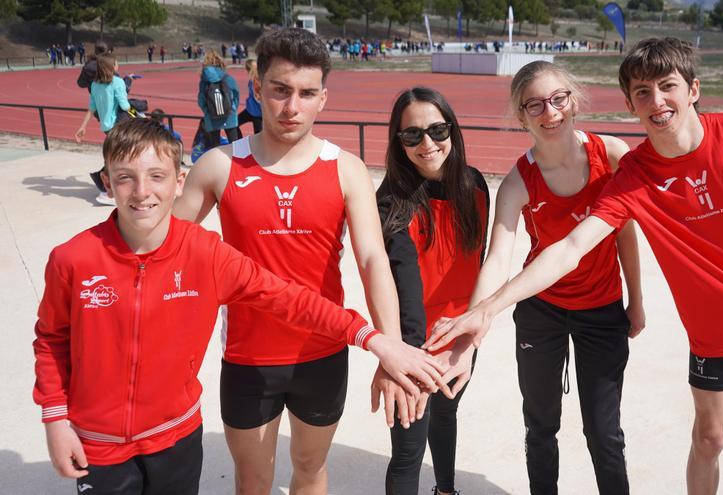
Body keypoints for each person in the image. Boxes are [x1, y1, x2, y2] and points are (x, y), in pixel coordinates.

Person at [428, 37, 723, 495]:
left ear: (694, 89)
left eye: (668, 87)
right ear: (628, 102)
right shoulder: (634, 173)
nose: (657, 101)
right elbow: (566, 249)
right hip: (704, 326)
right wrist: (481, 314)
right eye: (643, 92)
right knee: (707, 437)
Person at [33, 118, 447, 495]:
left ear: (178, 182)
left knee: (308, 466)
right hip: (100, 443)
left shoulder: (206, 254)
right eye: (125, 179)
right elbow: (51, 339)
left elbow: (291, 299)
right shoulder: (74, 259)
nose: (142, 192)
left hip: (175, 436)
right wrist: (55, 419)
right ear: (107, 182)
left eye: (156, 177)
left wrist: (376, 339)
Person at [173, 27, 426, 495]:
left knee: (309, 470)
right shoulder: (219, 166)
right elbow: (163, 248)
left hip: (322, 353)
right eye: (280, 90)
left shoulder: (345, 168)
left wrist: (390, 349)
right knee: (253, 481)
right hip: (249, 357)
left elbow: (372, 259)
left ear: (323, 99)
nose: (292, 107)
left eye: (307, 94)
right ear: (256, 90)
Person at [445, 60, 646, 494]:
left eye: (558, 99)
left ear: (573, 101)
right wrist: (472, 327)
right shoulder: (519, 181)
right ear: (521, 116)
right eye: (534, 105)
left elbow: (625, 235)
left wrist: (637, 299)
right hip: (542, 312)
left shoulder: (611, 155)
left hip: (602, 309)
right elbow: (497, 258)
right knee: (540, 427)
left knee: (604, 432)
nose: (549, 112)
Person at [378, 87, 489, 495]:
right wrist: (405, 358)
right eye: (412, 136)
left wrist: (468, 338)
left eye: (437, 130)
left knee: (446, 416)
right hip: (414, 344)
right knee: (408, 453)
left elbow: (478, 263)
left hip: (460, 337)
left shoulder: (475, 184)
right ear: (398, 142)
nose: (427, 144)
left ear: (452, 131)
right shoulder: (391, 201)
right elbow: (402, 283)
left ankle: (446, 490)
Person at [75, 53, 132, 206]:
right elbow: (125, 106)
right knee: (121, 156)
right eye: (116, 63)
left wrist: (82, 127)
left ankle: (109, 187)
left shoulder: (94, 85)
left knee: (118, 155)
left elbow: (91, 108)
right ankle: (106, 189)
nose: (118, 65)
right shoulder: (118, 82)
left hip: (107, 127)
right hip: (120, 125)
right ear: (112, 67)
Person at [196, 50, 240, 151]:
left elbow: (201, 101)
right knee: (236, 147)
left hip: (211, 117)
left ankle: (219, 166)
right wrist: (232, 109)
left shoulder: (204, 81)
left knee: (216, 149)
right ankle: (235, 166)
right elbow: (236, 96)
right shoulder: (228, 78)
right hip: (230, 115)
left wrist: (207, 112)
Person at [237, 59, 263, 135]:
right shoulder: (253, 79)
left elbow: (259, 98)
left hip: (258, 113)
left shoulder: (256, 81)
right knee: (235, 124)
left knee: (258, 135)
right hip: (250, 110)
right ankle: (240, 143)